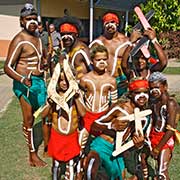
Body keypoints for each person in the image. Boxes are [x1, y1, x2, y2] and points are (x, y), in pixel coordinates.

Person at [4, 3, 47, 167]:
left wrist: (44, 64)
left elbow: (41, 59)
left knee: (45, 114)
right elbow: (7, 67)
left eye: (34, 18)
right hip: (25, 84)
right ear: (22, 21)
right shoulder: (19, 39)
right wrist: (23, 79)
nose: (32, 21)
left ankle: (47, 147)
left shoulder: (38, 38)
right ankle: (32, 156)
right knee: (29, 120)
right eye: (28, 19)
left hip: (39, 83)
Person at [84, 77, 150, 180]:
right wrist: (111, 125)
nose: (142, 96)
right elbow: (94, 126)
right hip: (102, 146)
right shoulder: (120, 108)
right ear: (131, 94)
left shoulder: (145, 117)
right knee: (91, 172)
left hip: (118, 150)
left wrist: (138, 145)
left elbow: (135, 142)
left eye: (145, 92)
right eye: (138, 93)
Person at [44, 59, 86, 179]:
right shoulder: (53, 95)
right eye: (61, 80)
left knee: (71, 163)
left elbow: (82, 113)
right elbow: (44, 115)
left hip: (71, 136)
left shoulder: (76, 95)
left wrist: (77, 98)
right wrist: (50, 103)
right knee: (56, 163)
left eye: (67, 80)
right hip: (57, 135)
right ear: (55, 81)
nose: (64, 83)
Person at [89, 12, 131, 97]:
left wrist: (129, 79)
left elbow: (133, 63)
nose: (110, 25)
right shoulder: (97, 43)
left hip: (121, 81)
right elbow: (89, 63)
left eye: (112, 22)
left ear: (117, 24)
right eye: (107, 23)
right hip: (103, 81)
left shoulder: (126, 42)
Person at [148, 72, 180, 179]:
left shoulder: (170, 103)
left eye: (157, 87)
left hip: (165, 139)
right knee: (158, 171)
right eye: (151, 88)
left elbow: (171, 129)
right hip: (154, 136)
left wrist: (158, 148)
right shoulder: (154, 101)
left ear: (165, 86)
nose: (154, 91)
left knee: (162, 172)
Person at [57, 16, 93, 81]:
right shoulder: (65, 52)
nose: (65, 37)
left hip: (83, 88)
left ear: (76, 34)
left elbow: (93, 71)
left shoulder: (82, 50)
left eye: (69, 34)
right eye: (63, 34)